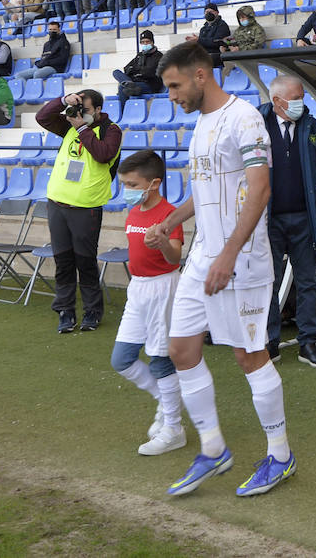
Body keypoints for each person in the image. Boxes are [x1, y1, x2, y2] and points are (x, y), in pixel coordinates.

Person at [148, 41, 295, 499]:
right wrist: (173, 219)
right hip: (202, 256)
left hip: (242, 261)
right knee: (180, 349)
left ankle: (281, 454)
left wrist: (230, 252)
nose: (171, 96)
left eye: (174, 85)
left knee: (249, 356)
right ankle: (213, 448)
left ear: (200, 75)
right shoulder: (202, 123)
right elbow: (207, 186)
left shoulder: (245, 118)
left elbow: (261, 188)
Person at [258, 75, 316, 368]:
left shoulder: (313, 128)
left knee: (307, 281)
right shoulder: (256, 125)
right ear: (277, 101)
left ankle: (308, 342)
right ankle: (269, 343)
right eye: (296, 98)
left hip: (304, 220)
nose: (301, 103)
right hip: (266, 221)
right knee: (267, 282)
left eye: (302, 97)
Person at [110, 150, 187, 456]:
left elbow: (175, 257)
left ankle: (173, 428)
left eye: (131, 185)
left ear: (153, 183)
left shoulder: (170, 214)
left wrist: (164, 243)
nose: (126, 191)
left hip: (163, 288)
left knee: (160, 359)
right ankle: (167, 401)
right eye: (124, 184)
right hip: (138, 288)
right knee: (122, 359)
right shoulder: (134, 212)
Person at [37, 89, 123, 333]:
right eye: (77, 108)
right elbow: (43, 117)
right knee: (63, 262)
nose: (78, 114)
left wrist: (82, 128)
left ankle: (92, 312)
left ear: (97, 109)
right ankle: (65, 311)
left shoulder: (111, 130)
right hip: (57, 202)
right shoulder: (68, 126)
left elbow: (104, 154)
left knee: (85, 262)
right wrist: (63, 101)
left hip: (86, 206)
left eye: (84, 109)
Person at [114, 30, 165, 102]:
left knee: (122, 88)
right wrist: (136, 71)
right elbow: (127, 68)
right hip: (135, 81)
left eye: (147, 42)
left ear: (152, 42)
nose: (145, 44)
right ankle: (128, 83)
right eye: (143, 42)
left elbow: (149, 72)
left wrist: (135, 71)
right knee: (116, 72)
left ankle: (123, 112)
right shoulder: (139, 55)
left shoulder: (158, 56)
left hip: (149, 84)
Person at [187, 3, 231, 68]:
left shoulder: (222, 26)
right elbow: (201, 43)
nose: (208, 14)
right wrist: (194, 42)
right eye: (206, 12)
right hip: (204, 54)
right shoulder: (203, 28)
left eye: (211, 11)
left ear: (217, 12)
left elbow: (217, 42)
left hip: (217, 54)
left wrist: (199, 40)